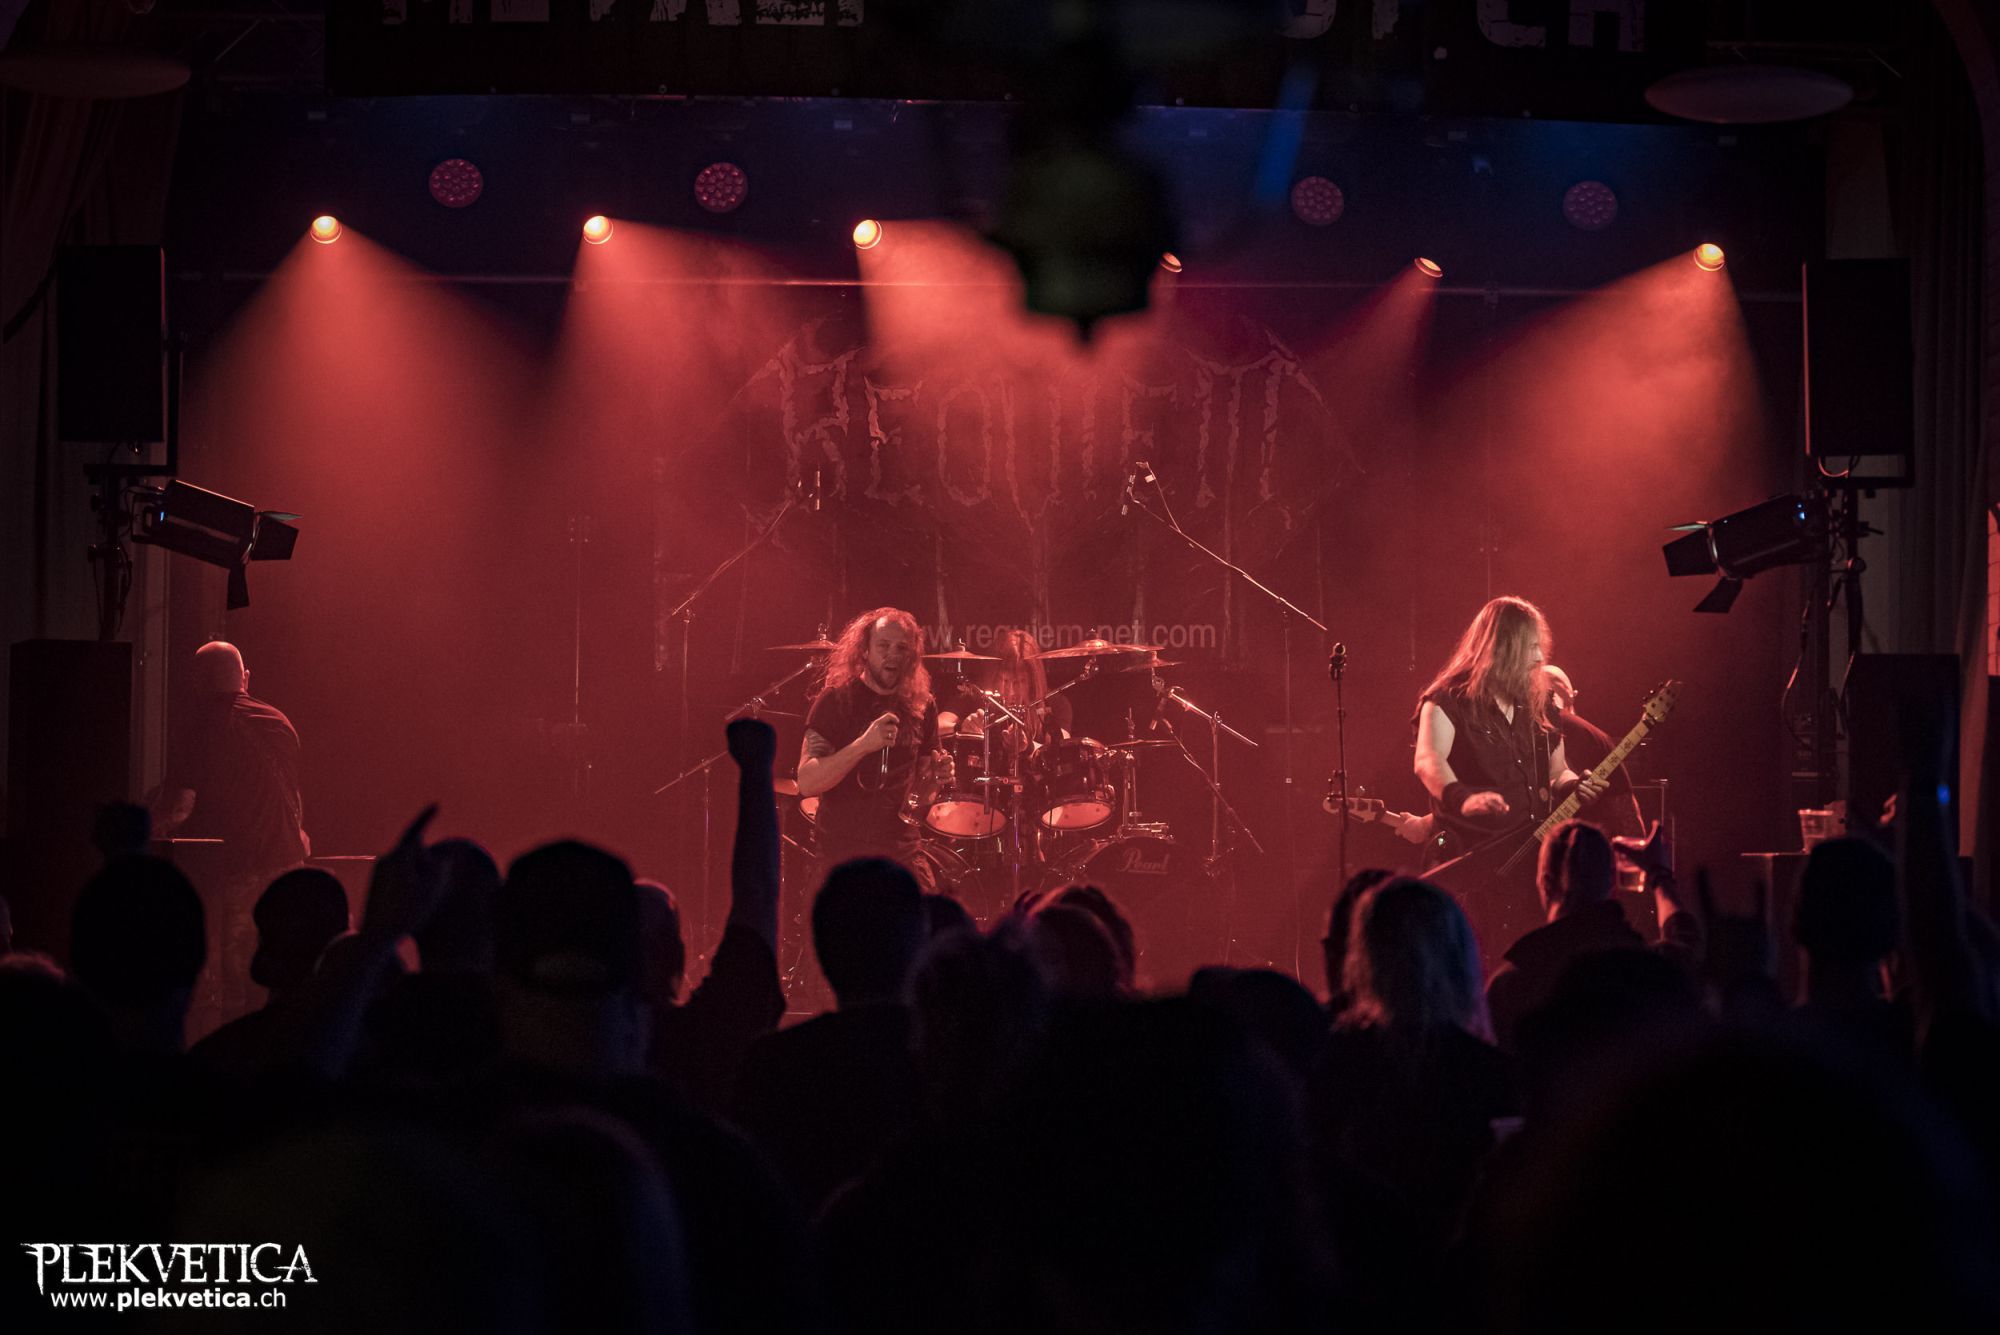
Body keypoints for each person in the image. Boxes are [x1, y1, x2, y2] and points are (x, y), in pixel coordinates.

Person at [1412, 598, 1608, 955]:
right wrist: (1463, 798)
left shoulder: (1538, 703)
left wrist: (1574, 783)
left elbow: (1557, 770)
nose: (1539, 657)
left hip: (1528, 862)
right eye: (1530, 647)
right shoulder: (1447, 700)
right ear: (1502, 647)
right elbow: (1427, 760)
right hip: (1471, 864)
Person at [154, 640, 310, 1034]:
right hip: (288, 872)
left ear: (197, 681)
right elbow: (292, 798)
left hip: (238, 874)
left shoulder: (200, 727)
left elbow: (180, 807)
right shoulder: (280, 721)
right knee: (275, 982)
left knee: (230, 993)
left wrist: (145, 833)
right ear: (245, 678)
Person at [1483, 819, 1701, 1050]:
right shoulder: (1645, 969)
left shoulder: (1508, 986)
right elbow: (1686, 946)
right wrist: (1659, 875)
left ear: (1545, 883)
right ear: (1611, 881)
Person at [797, 608, 950, 891]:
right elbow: (807, 782)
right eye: (884, 645)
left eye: (901, 648)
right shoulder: (836, 700)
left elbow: (924, 791)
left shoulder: (922, 705)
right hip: (842, 854)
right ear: (865, 651)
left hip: (901, 852)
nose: (893, 654)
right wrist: (863, 745)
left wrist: (936, 778)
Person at [1542, 664, 1645, 837]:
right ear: (1571, 695)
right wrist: (1638, 848)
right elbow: (1624, 806)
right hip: (1586, 843)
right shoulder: (1595, 736)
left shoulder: (1526, 728)